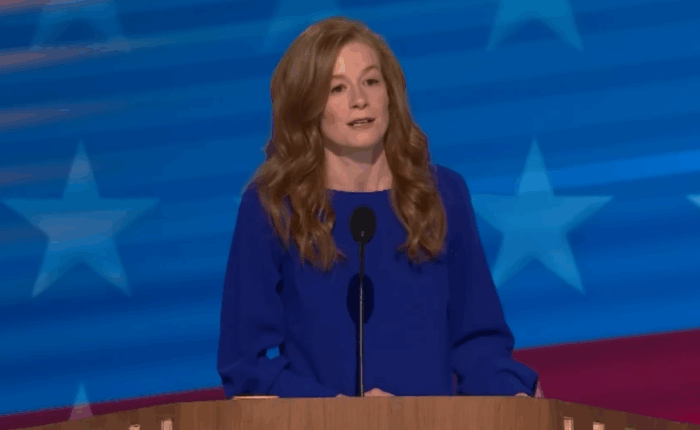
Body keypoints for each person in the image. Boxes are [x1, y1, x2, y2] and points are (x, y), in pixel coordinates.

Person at [217, 16, 539, 399]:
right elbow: (247, 365)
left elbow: (478, 340)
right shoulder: (272, 205)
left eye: (371, 81)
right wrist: (339, 415)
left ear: (390, 93)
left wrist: (510, 392)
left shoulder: (441, 194)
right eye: (337, 88)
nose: (360, 100)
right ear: (307, 105)